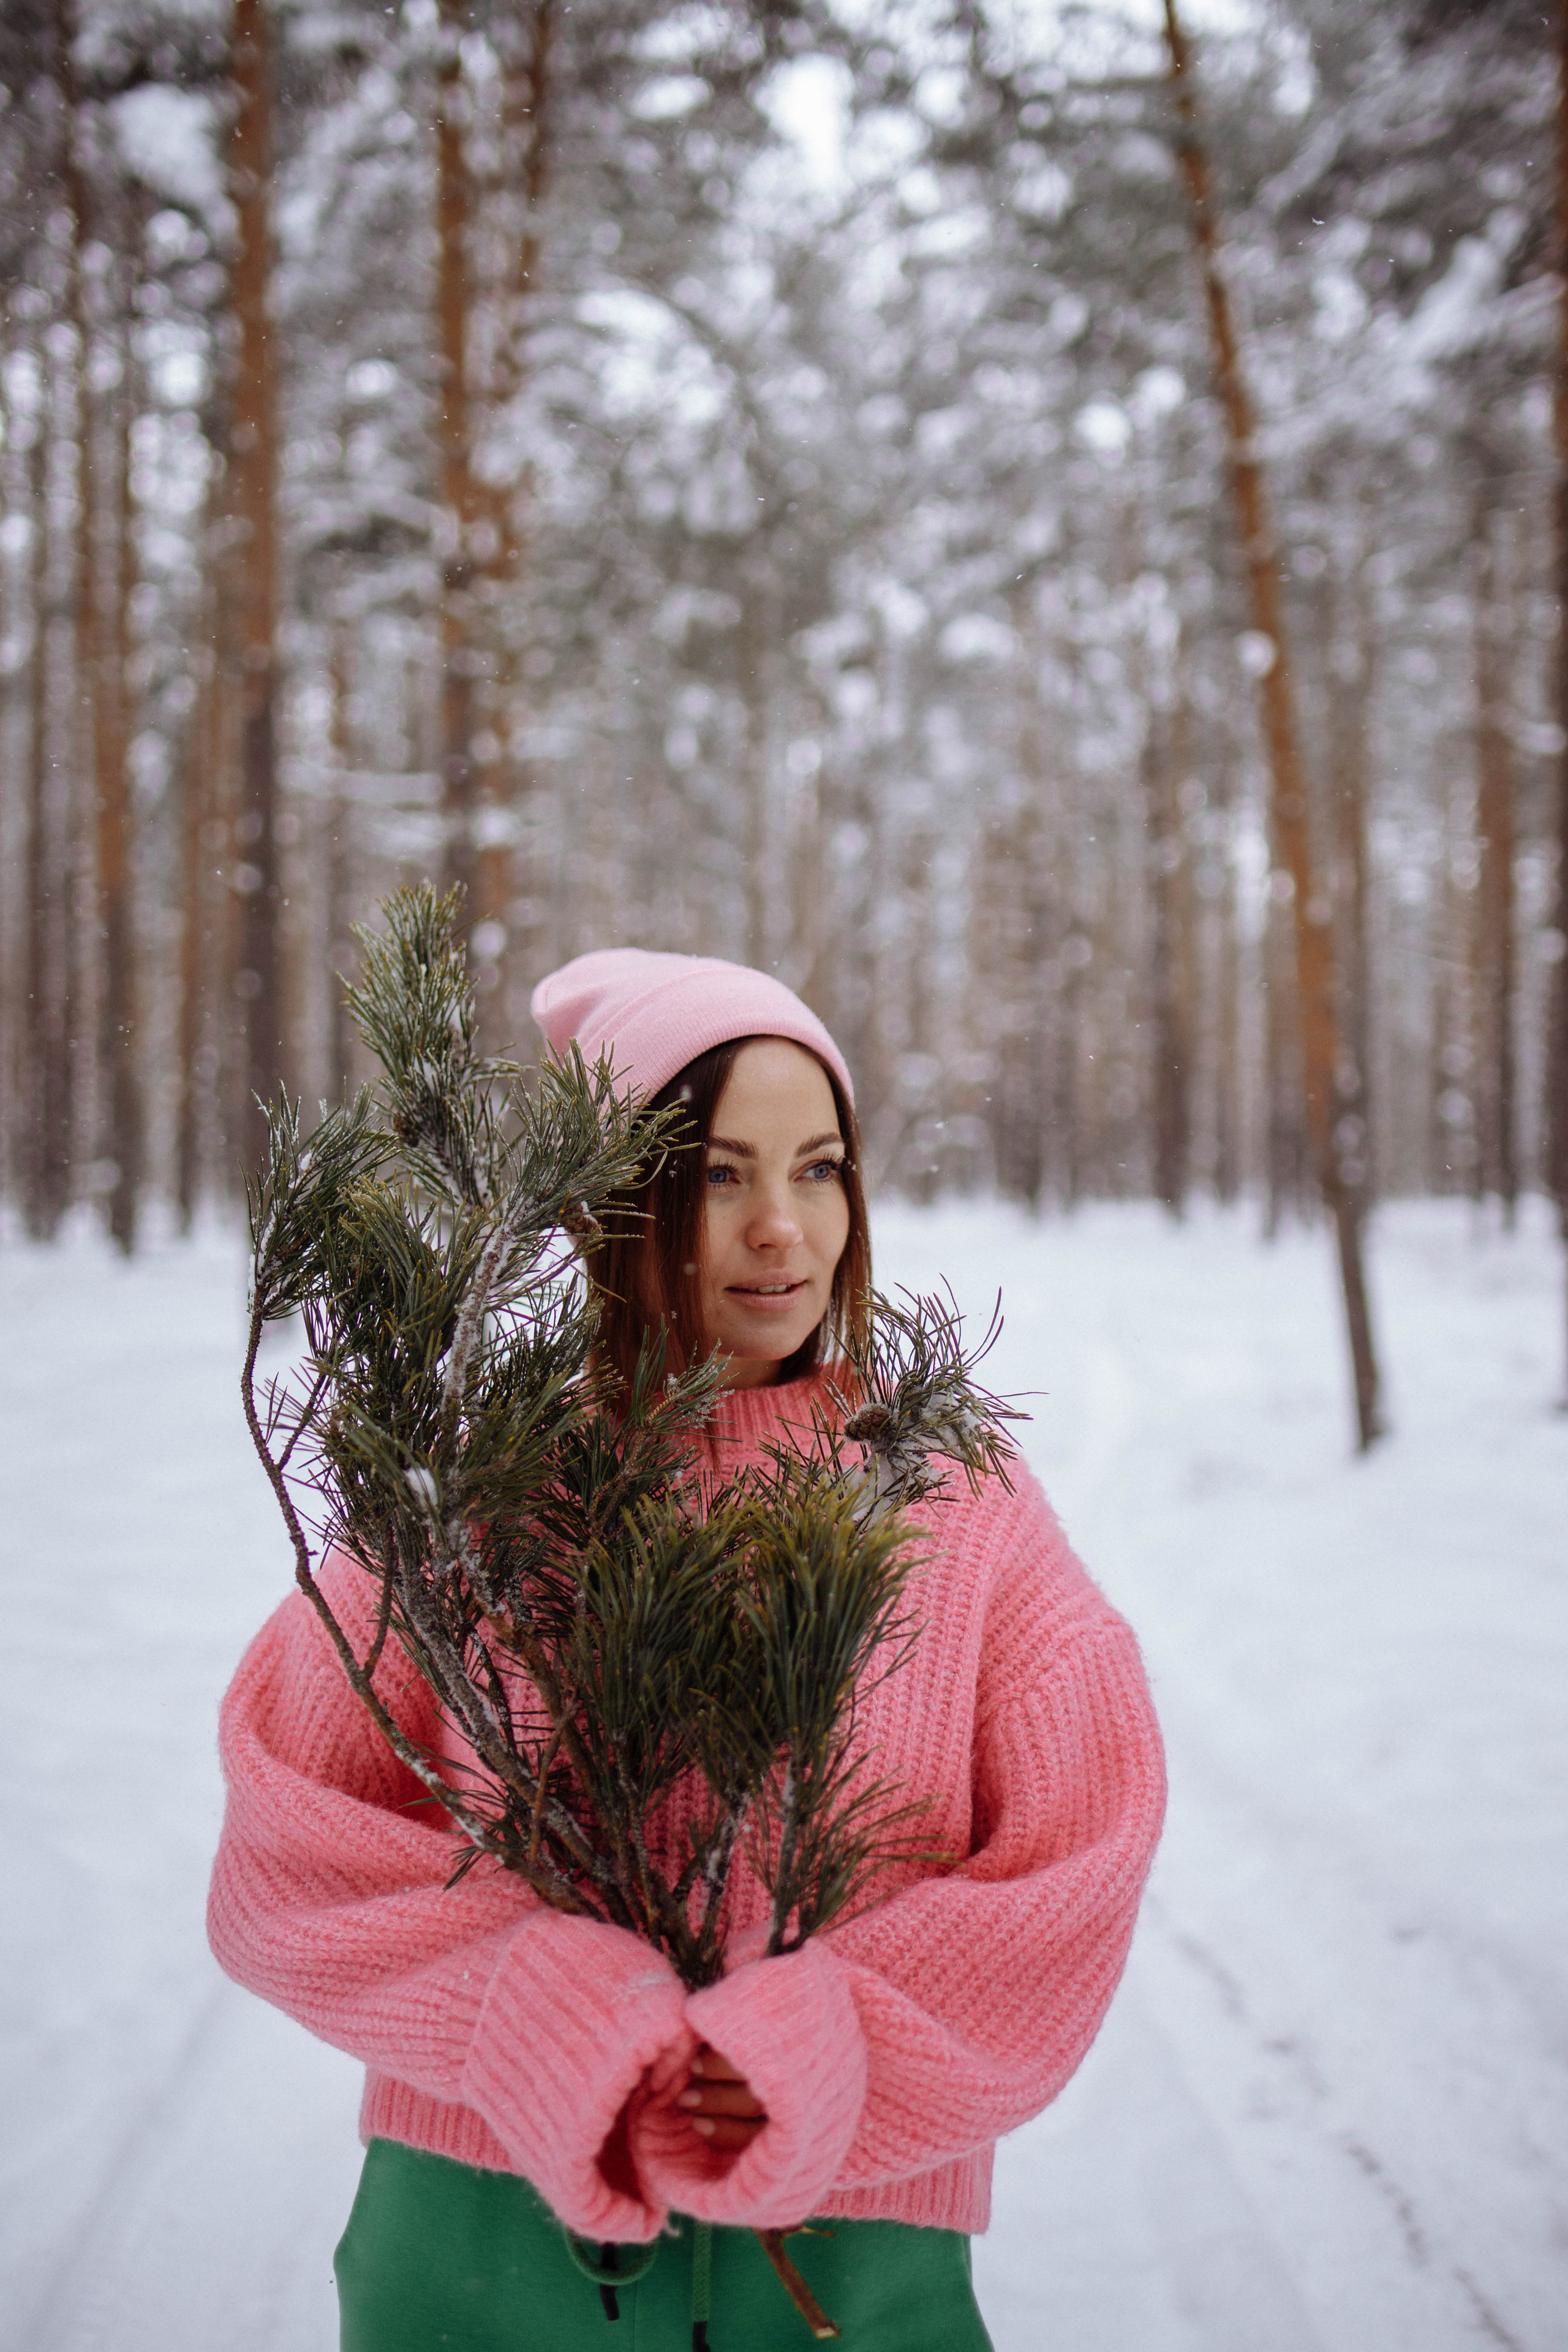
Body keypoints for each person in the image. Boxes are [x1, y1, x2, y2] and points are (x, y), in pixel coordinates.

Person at [209, 948, 1166, 2352]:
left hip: (850, 2253)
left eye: (819, 1167)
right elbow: (285, 1838)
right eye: (718, 1175)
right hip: (482, 2236)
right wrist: (532, 2010)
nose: (783, 1227)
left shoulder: (947, 1494)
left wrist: (834, 2040)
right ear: (611, 1204)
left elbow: (1080, 1851)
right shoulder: (494, 1482)